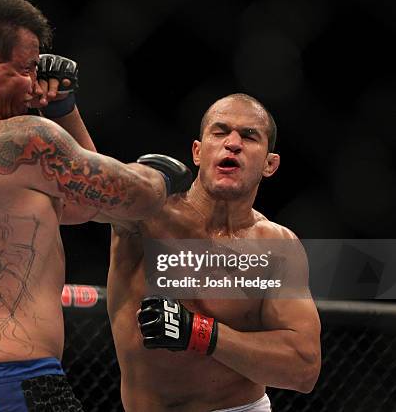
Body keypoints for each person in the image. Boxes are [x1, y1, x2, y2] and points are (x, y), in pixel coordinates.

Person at [0, 0, 193, 411]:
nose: (35, 85)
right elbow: (130, 198)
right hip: (14, 386)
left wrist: (63, 110)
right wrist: (162, 174)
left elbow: (79, 204)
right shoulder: (25, 140)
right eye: (28, 67)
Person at [105, 94, 321, 411]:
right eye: (220, 132)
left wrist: (199, 333)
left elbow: (303, 369)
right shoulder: (148, 213)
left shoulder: (277, 246)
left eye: (249, 136)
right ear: (197, 151)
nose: (232, 143)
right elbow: (80, 197)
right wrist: (63, 109)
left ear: (269, 164)